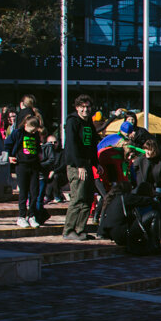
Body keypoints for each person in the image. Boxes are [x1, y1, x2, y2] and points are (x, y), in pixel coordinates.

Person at [62, 94, 98, 240]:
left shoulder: (89, 123)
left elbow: (92, 144)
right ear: (77, 108)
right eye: (82, 107)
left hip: (88, 164)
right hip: (77, 166)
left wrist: (96, 164)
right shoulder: (72, 122)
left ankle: (80, 229)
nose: (85, 110)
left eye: (88, 107)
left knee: (88, 198)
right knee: (77, 197)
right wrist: (80, 165)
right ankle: (69, 230)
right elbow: (72, 145)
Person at [9, 115, 45, 228]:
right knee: (23, 192)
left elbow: (38, 147)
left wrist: (39, 154)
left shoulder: (35, 135)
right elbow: (7, 144)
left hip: (34, 165)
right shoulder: (18, 133)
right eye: (31, 128)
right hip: (22, 165)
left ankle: (32, 215)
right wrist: (9, 156)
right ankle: (21, 216)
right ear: (25, 125)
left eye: (35, 129)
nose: (33, 131)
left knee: (34, 192)